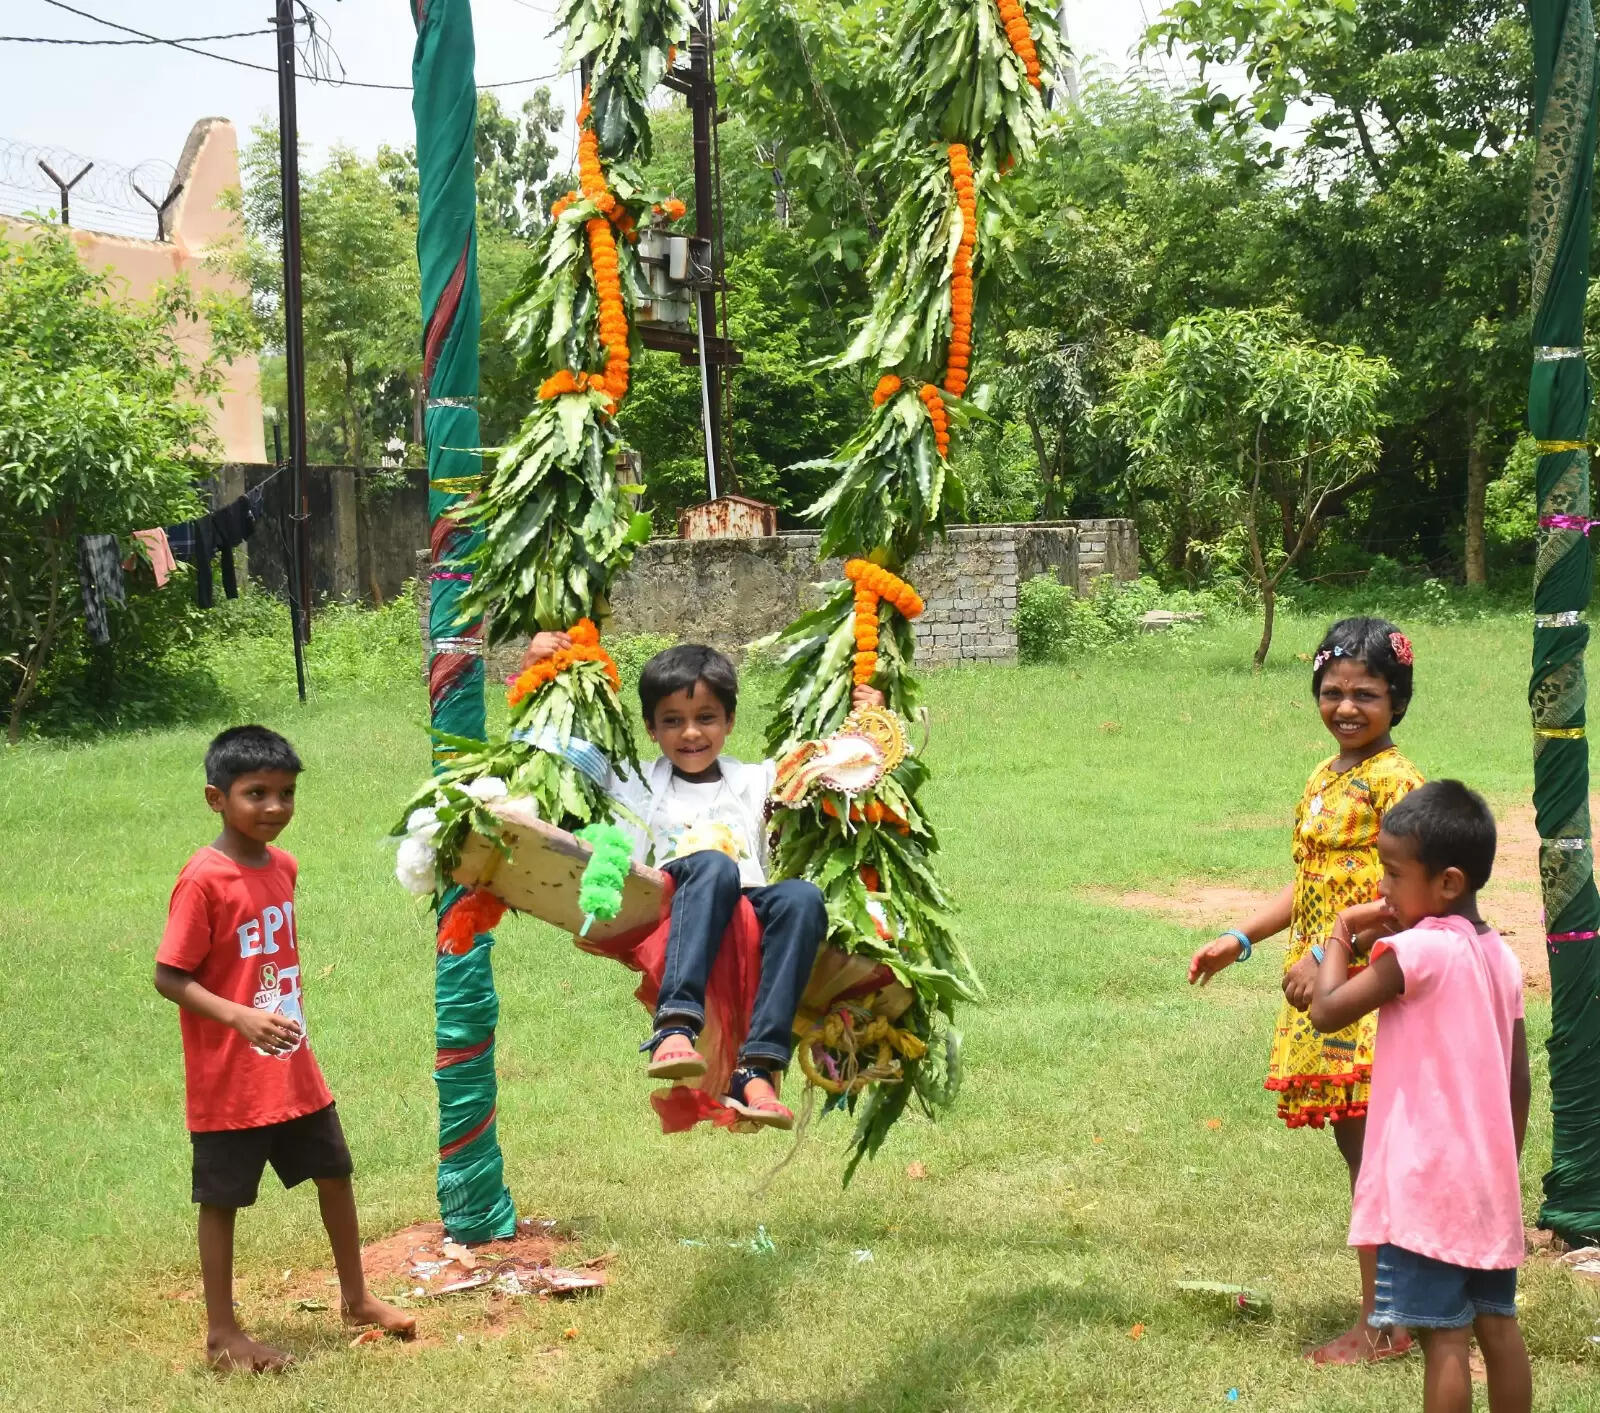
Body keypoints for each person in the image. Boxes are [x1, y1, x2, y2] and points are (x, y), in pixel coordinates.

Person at [1187, 617, 1423, 1363]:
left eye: (1366, 693)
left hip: (1368, 996)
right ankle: (1403, 1314)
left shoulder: (1398, 784)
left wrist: (1330, 951)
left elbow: (1407, 895)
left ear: (1398, 699)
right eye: (1331, 691)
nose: (1346, 706)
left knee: (1379, 1165)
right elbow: (1312, 881)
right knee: (1367, 1163)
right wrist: (1242, 938)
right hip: (1326, 991)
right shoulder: (1327, 775)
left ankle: (1385, 1324)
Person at [522, 638, 872, 1129]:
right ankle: (675, 1026)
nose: (691, 733)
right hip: (672, 899)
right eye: (672, 721)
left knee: (801, 897)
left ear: (729, 722)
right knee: (712, 864)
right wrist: (537, 669)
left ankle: (759, 1067)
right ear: (650, 727)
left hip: (747, 904)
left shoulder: (756, 780)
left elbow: (836, 768)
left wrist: (868, 721)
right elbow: (556, 755)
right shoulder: (632, 781)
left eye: (706, 718)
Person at [155, 726, 413, 1372]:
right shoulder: (203, 880)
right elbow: (169, 975)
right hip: (230, 1077)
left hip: (292, 1066)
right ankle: (222, 1331)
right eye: (256, 793)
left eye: (286, 792)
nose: (274, 806)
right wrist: (239, 1016)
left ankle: (356, 1297)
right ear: (216, 797)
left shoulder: (285, 866)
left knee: (335, 1170)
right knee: (222, 1198)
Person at [1308, 781, 1530, 1413]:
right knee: (1499, 1328)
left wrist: (1341, 933)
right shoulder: (1502, 958)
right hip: (1488, 1185)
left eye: (1392, 873)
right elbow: (1519, 1078)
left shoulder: (1419, 951)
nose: (1381, 888)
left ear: (1448, 883)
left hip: (1427, 1188)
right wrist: (1504, 1166)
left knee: (1445, 1342)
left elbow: (1327, 1010)